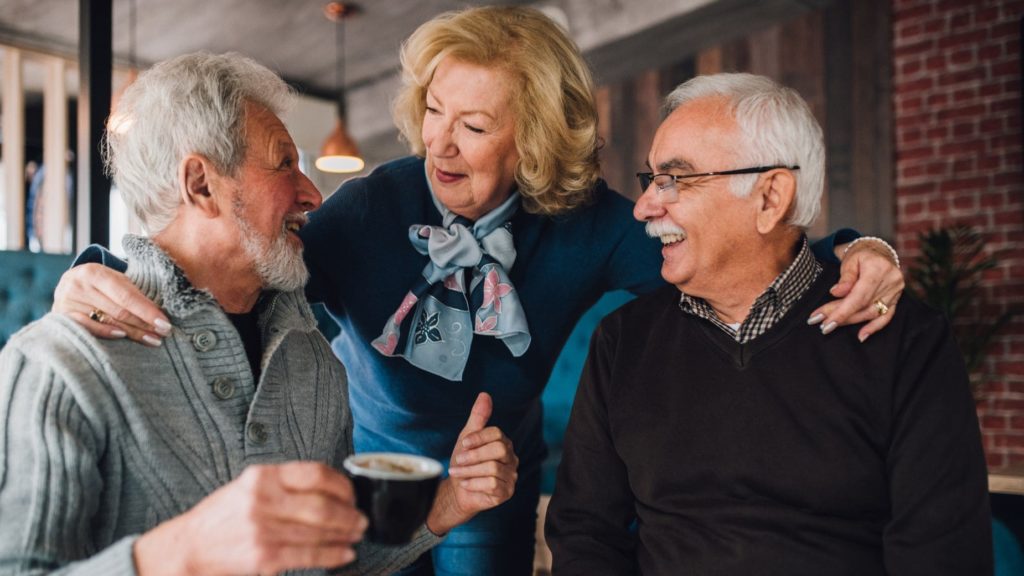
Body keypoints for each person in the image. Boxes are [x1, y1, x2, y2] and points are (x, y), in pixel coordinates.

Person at [52, 7, 905, 575]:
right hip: (371, 466)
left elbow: (725, 258)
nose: (439, 144)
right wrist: (100, 268)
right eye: (432, 110)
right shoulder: (370, 205)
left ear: (530, 139)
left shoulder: (588, 222)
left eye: (474, 125)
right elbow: (233, 264)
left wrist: (852, 250)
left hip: (492, 476)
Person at [0, 52, 518, 575]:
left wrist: (451, 501)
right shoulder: (55, 365)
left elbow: (331, 553)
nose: (313, 195)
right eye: (283, 163)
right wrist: (184, 551)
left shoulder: (314, 361)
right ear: (201, 185)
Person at [545, 73, 992, 575]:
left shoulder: (904, 338)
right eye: (651, 179)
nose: (646, 207)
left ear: (769, 198)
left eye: (676, 179)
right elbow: (585, 533)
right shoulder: (623, 340)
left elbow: (942, 553)